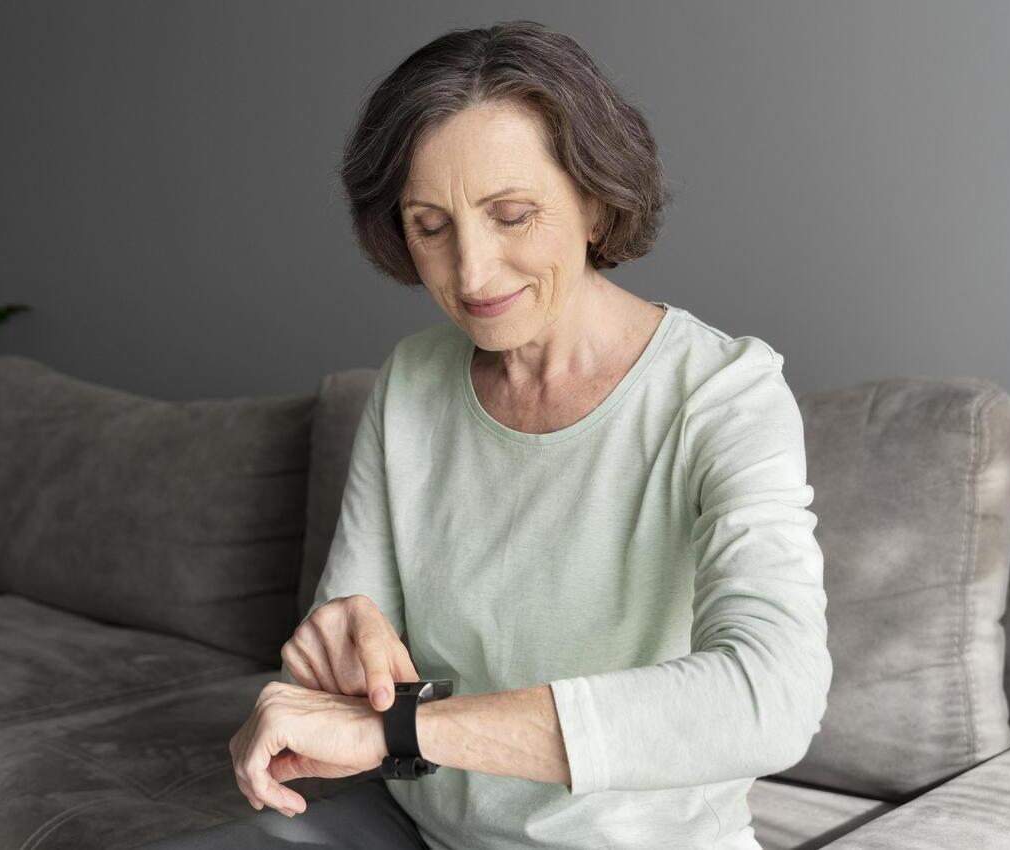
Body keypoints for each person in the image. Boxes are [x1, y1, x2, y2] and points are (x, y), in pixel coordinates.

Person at [136, 18, 832, 850]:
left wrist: (402, 732)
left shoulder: (724, 394)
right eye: (431, 227)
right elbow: (345, 705)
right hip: (415, 828)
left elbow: (772, 696)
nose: (470, 274)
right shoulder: (413, 380)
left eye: (511, 214)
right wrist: (340, 659)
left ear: (596, 199)